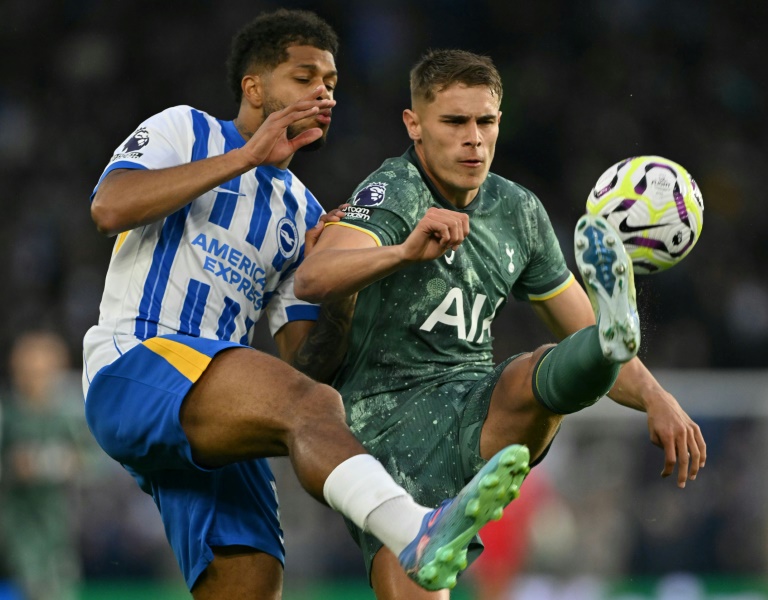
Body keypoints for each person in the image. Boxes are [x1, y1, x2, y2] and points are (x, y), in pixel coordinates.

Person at [82, 11, 530, 599]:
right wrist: (246, 157)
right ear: (254, 87)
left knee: (255, 581)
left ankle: (413, 529)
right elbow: (108, 208)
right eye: (304, 77)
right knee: (311, 407)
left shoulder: (302, 213)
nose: (323, 92)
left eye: (332, 84)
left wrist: (338, 298)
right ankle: (413, 530)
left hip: (213, 404)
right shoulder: (186, 131)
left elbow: (303, 368)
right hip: (133, 361)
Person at [294, 48, 707, 598]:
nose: (474, 138)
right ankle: (442, 515)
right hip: (383, 432)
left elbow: (578, 322)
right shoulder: (394, 192)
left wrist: (657, 398)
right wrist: (402, 253)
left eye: (485, 121)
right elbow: (314, 277)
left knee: (535, 372)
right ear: (414, 126)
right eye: (455, 122)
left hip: (474, 405)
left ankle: (611, 339)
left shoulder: (518, 211)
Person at [0, 331, 94, 600]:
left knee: (61, 580)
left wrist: (68, 463)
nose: (36, 380)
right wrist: (12, 467)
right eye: (29, 372)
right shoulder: (8, 413)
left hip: (63, 518)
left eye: (42, 372)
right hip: (19, 520)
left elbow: (96, 461)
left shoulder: (71, 413)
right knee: (32, 581)